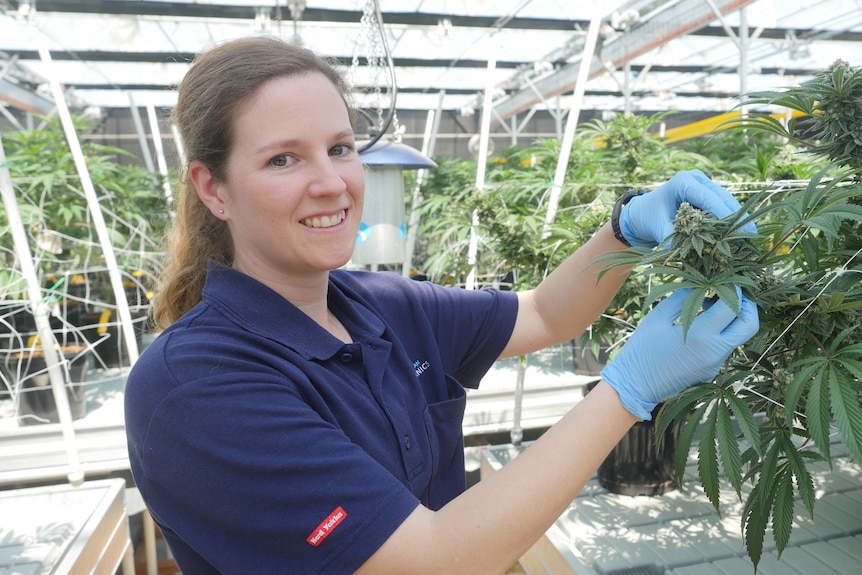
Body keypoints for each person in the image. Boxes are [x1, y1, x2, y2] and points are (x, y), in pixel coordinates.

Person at [124, 35, 759, 575]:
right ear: (213, 188)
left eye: (340, 148)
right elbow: (433, 560)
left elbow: (544, 313)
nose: (330, 182)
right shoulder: (196, 387)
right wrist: (628, 389)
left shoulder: (383, 304)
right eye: (282, 158)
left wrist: (622, 231)